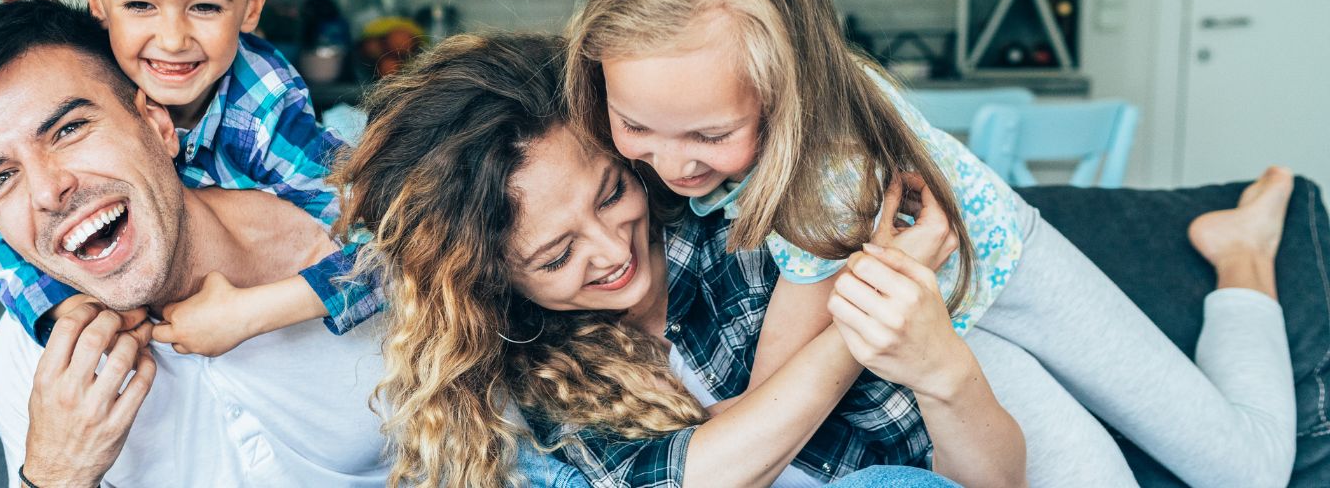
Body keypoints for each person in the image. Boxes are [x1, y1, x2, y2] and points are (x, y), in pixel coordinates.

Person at [563, 0, 1295, 486]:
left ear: (788, 88)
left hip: (1004, 276)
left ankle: (1241, 259)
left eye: (711, 137)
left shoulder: (829, 175)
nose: (672, 166)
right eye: (636, 127)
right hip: (938, 334)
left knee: (1247, 470)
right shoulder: (645, 116)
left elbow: (768, 407)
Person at [335, 32, 1020, 488]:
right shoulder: (544, 378)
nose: (612, 251)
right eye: (556, 256)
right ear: (494, 282)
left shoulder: (753, 236)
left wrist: (922, 348)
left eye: (610, 193)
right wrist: (863, 314)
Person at [0, 0, 380, 354]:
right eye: (140, 6)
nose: (174, 40)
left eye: (205, 7)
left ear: (252, 5)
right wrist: (72, 309)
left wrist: (247, 314)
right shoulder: (87, 81)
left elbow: (391, 253)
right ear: (96, 0)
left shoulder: (263, 111)